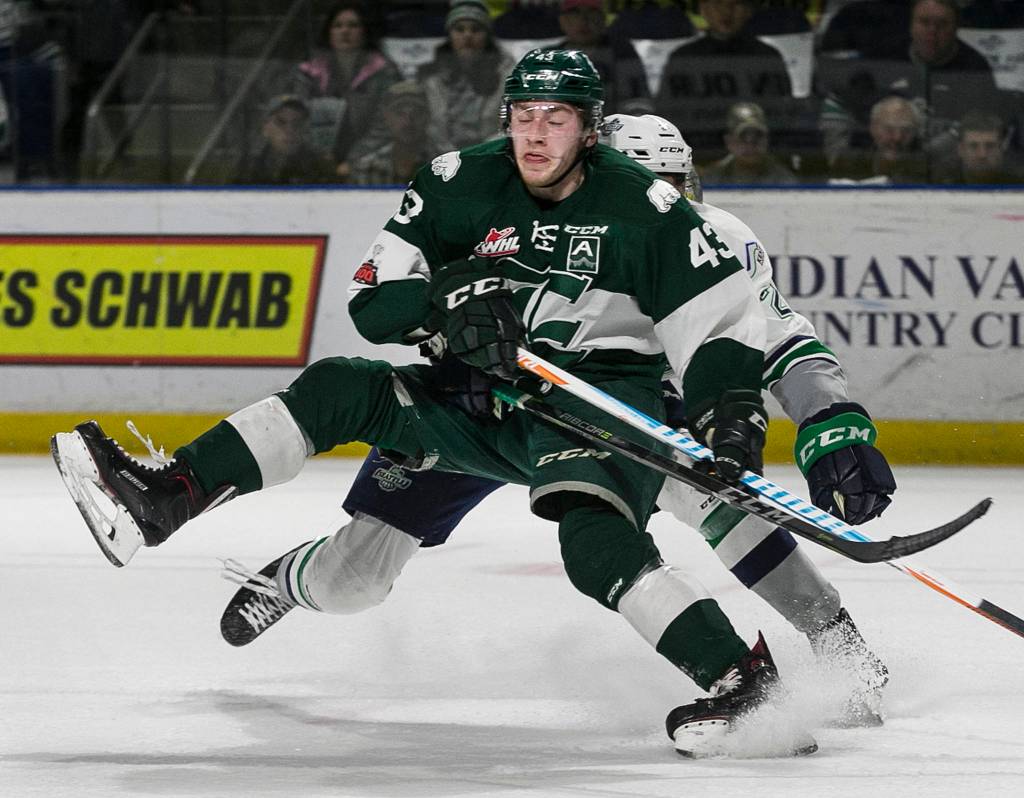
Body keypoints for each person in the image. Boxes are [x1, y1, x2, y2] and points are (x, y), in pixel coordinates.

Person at [54, 50, 822, 758]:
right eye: (524, 116)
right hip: (477, 394)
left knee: (596, 543)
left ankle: (744, 684)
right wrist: (442, 306)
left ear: (590, 131)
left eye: (556, 119)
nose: (536, 134)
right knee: (345, 426)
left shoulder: (652, 213)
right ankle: (168, 497)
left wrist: (731, 413)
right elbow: (372, 301)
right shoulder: (455, 180)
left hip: (592, 401)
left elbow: (721, 326)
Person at [655, 0, 794, 154]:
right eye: (718, 3)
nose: (726, 12)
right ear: (704, 9)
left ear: (749, 11)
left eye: (735, 4)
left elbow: (783, 118)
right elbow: (667, 120)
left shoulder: (767, 57)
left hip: (754, 158)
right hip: (698, 159)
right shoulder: (682, 59)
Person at [291, 1, 401, 179]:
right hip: (316, 161)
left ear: (365, 31)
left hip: (370, 160)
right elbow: (297, 116)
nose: (345, 31)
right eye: (338, 26)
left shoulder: (385, 72)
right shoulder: (309, 73)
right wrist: (320, 157)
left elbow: (387, 124)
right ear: (329, 32)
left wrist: (353, 160)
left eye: (353, 25)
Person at [417, 1, 515, 153]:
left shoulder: (507, 75)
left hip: (490, 155)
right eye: (459, 29)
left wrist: (477, 154)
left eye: (476, 30)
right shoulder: (429, 76)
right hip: (438, 157)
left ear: (487, 36)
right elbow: (425, 127)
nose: (467, 36)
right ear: (450, 35)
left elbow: (511, 125)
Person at [550, 0, 650, 113]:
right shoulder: (549, 57)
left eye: (592, 13)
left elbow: (638, 100)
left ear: (603, 19)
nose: (584, 21)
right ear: (562, 20)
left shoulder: (622, 52)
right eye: (575, 13)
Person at [347, 81, 443, 186]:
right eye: (400, 113)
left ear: (427, 116)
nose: (408, 121)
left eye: (417, 112)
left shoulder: (447, 168)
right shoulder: (366, 169)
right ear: (386, 117)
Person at [232, 95, 335, 185]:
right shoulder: (248, 170)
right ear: (266, 129)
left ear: (305, 129)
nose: (290, 130)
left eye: (297, 123)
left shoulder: (320, 169)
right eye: (280, 122)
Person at [829, 95, 928, 184]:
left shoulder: (929, 168)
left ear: (915, 132)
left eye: (906, 130)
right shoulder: (850, 164)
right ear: (873, 129)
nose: (897, 137)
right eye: (889, 129)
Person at [702, 101, 798, 185]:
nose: (750, 144)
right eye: (742, 136)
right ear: (729, 141)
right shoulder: (711, 179)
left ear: (767, 139)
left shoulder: (784, 181)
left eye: (758, 136)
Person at [937, 110, 1024, 185]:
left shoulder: (1019, 187)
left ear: (1001, 148)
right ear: (961, 150)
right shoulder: (938, 188)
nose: (982, 155)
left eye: (990, 146)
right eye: (973, 146)